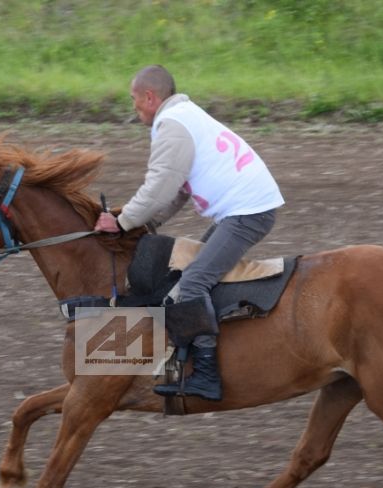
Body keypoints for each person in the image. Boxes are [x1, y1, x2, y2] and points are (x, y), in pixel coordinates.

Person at [95, 65, 284, 401]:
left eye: (135, 100)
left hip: (246, 214)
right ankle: (198, 352)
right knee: (190, 274)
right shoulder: (184, 115)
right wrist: (147, 224)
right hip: (246, 208)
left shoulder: (171, 126)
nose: (134, 107)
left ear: (150, 97)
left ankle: (207, 376)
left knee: (194, 282)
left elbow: (158, 188)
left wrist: (122, 222)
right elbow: (180, 189)